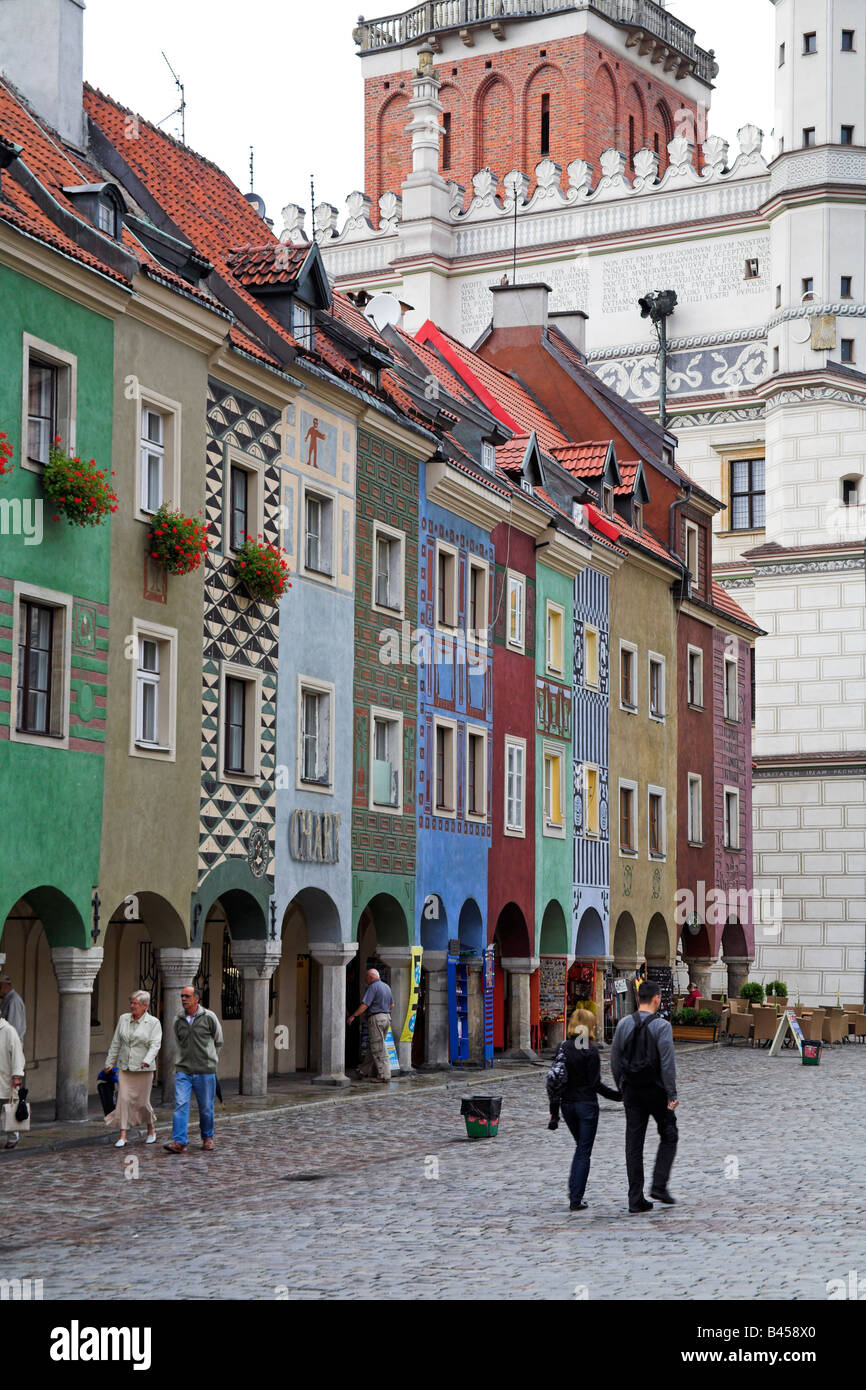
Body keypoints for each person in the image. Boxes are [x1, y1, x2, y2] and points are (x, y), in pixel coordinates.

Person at [610, 979, 679, 1214]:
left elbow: (614, 1061)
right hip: (657, 1090)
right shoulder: (662, 1026)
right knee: (669, 1133)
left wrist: (621, 1085)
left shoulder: (623, 1024)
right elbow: (667, 1063)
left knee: (634, 1143)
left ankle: (635, 1198)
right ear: (657, 999)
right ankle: (659, 1185)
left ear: (638, 998)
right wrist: (672, 1092)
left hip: (632, 1090)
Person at [547, 1008, 622, 1211]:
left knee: (580, 1148)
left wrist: (554, 1113)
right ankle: (575, 1198)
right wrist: (619, 1096)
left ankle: (574, 1193)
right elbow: (595, 1084)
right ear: (590, 1026)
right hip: (586, 1106)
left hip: (567, 1105)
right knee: (583, 1151)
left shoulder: (563, 1047)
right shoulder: (590, 1049)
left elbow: (556, 1079)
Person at [163, 985, 223, 1154]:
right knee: (180, 1104)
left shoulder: (209, 1017)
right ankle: (180, 1141)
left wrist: (210, 1058)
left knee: (205, 1107)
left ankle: (207, 1137)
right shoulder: (178, 1019)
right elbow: (178, 1041)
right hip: (183, 1070)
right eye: (182, 996)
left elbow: (218, 1040)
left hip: (205, 1070)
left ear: (196, 999)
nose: (183, 999)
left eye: (187, 996)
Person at [103, 990, 162, 1148]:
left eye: (135, 1003)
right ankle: (123, 1135)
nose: (132, 1006)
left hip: (143, 1069)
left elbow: (155, 1044)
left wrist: (147, 1060)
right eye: (131, 1003)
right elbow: (116, 1042)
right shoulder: (123, 1019)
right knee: (123, 1100)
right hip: (125, 1067)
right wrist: (109, 1062)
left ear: (144, 1006)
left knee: (142, 1103)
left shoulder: (153, 1022)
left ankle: (151, 1128)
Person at [347, 968, 393, 1083]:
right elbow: (392, 1005)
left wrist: (353, 1016)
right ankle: (362, 1070)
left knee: (378, 1048)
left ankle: (384, 1075)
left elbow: (365, 1005)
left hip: (377, 1018)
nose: (365, 979)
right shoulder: (386, 986)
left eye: (366, 977)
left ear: (371, 977)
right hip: (386, 1017)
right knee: (374, 1045)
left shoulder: (373, 987)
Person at [0, 1014, 25, 1150]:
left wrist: (17, 1075)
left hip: (5, 1078)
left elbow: (17, 1055)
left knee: (10, 1108)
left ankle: (13, 1137)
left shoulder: (9, 1031)